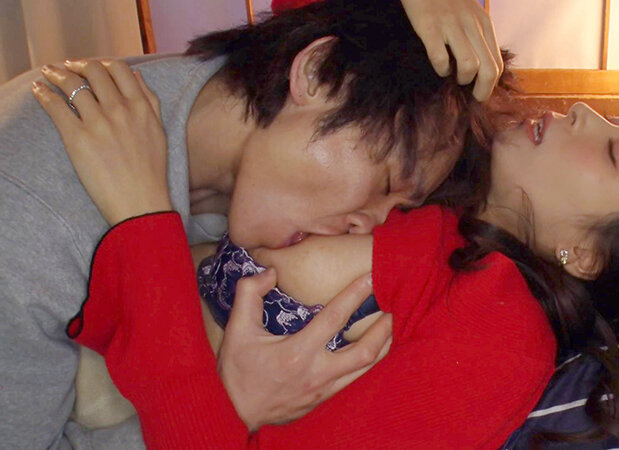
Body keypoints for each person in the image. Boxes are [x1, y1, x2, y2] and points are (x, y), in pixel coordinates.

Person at [37, 37, 619, 445]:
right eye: (618, 116)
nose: (587, 113)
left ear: (585, 255)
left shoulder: (501, 339)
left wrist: (141, 217)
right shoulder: (436, 199)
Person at [0, 0, 505, 447]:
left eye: (397, 209)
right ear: (317, 73)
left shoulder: (234, 131)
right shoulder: (31, 220)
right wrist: (228, 405)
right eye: (388, 179)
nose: (370, 225)